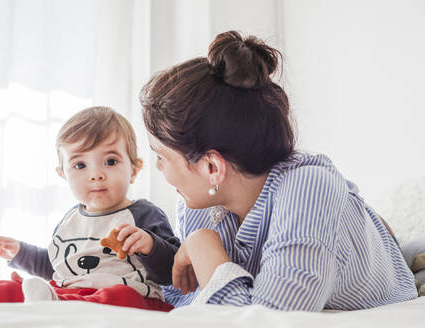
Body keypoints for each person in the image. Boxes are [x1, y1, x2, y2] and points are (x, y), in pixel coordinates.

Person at [139, 30, 418, 311]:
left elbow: (268, 318)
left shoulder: (309, 188)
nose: (159, 168)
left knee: (408, 247)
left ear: (212, 167)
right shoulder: (199, 200)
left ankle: (394, 239)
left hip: (374, 260)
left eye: (161, 157)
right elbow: (189, 298)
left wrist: (202, 246)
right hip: (320, 231)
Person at [0, 106, 179, 312]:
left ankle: (54, 303)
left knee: (120, 295)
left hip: (132, 301)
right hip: (69, 293)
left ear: (134, 168)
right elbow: (55, 265)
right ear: (63, 175)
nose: (96, 175)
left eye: (111, 161)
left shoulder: (145, 213)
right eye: (80, 165)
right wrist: (19, 253)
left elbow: (172, 272)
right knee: (15, 288)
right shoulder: (70, 219)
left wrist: (150, 245)